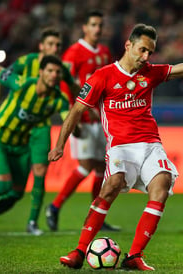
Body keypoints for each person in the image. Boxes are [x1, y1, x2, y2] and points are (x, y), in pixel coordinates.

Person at [48, 23, 183, 270]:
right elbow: (76, 110)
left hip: (150, 145)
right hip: (120, 147)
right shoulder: (103, 76)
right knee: (111, 184)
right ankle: (79, 251)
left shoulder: (152, 73)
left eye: (150, 52)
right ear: (128, 45)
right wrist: (59, 145)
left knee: (162, 184)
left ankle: (134, 256)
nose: (146, 57)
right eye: (142, 50)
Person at [0, 27, 80, 235]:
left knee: (40, 171)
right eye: (51, 44)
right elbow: (0, 75)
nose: (55, 49)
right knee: (7, 181)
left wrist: (83, 108)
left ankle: (32, 222)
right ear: (41, 46)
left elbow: (73, 89)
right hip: (16, 125)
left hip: (40, 126)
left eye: (58, 45)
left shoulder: (61, 69)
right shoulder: (26, 62)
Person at [0, 55, 70, 237]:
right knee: (3, 184)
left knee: (16, 194)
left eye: (58, 72)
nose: (54, 75)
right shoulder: (22, 84)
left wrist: (77, 128)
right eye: (50, 71)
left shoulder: (58, 99)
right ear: (41, 72)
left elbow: (68, 117)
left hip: (21, 146)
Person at [45, 10, 119, 232]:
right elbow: (65, 85)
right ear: (85, 28)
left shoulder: (105, 52)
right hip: (84, 117)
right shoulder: (73, 53)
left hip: (101, 119)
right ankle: (55, 206)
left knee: (101, 168)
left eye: (100, 25)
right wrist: (71, 115)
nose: (97, 29)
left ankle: (96, 215)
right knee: (86, 166)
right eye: (93, 25)